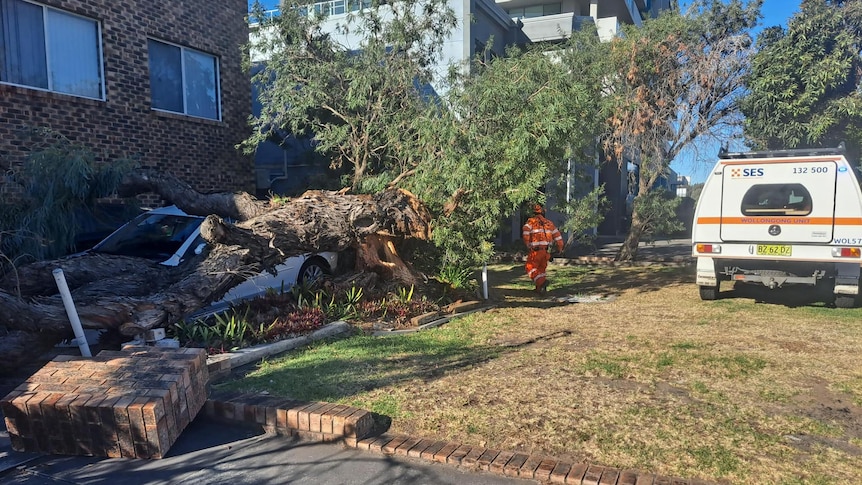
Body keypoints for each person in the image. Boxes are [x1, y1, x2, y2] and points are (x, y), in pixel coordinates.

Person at [522, 203, 564, 294]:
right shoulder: (549, 223)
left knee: (530, 268)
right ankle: (540, 289)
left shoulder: (531, 222)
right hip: (545, 252)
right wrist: (560, 248)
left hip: (535, 252)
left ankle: (542, 283)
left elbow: (525, 233)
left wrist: (527, 244)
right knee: (541, 270)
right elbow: (558, 237)